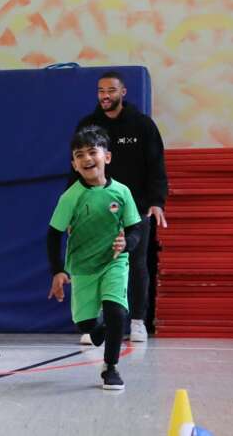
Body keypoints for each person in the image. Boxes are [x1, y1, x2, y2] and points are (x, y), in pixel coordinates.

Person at [75, 71, 168, 342]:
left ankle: (137, 320)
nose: (106, 95)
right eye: (101, 91)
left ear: (123, 93)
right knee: (95, 262)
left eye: (111, 91)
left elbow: (156, 165)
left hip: (135, 207)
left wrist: (156, 201)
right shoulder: (88, 125)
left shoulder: (142, 125)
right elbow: (78, 166)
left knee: (136, 263)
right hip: (96, 207)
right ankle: (95, 323)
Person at [47, 126, 143, 390]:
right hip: (82, 266)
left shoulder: (121, 192)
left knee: (116, 312)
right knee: (86, 324)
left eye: (92, 152)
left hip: (114, 261)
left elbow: (135, 228)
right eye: (80, 155)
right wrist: (58, 270)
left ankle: (110, 368)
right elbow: (54, 234)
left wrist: (127, 244)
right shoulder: (71, 197)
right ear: (74, 164)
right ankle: (99, 329)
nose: (87, 159)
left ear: (107, 157)